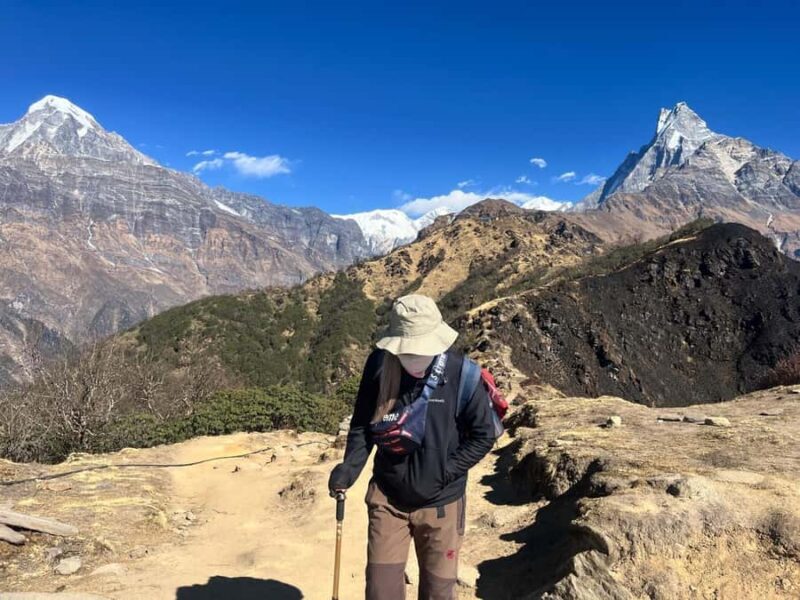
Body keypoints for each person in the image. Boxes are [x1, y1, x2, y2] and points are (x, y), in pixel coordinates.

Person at [328, 294, 496, 600]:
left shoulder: (462, 374)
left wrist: (446, 471)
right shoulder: (379, 366)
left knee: (438, 593)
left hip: (442, 504)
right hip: (387, 499)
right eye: (409, 352)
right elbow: (363, 425)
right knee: (381, 592)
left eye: (425, 351)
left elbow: (483, 435)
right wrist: (348, 470)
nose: (417, 359)